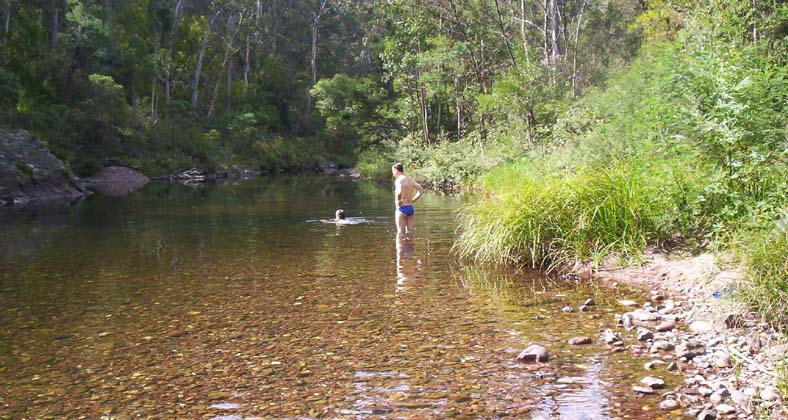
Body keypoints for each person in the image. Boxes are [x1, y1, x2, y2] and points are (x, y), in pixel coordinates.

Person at [391, 162, 424, 236]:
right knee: (410, 233)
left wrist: (398, 201)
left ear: (396, 171)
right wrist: (413, 200)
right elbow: (421, 190)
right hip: (410, 208)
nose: (393, 174)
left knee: (400, 233)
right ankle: (410, 247)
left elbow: (399, 192)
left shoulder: (399, 180)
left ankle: (400, 247)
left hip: (401, 209)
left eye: (393, 172)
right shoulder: (409, 179)